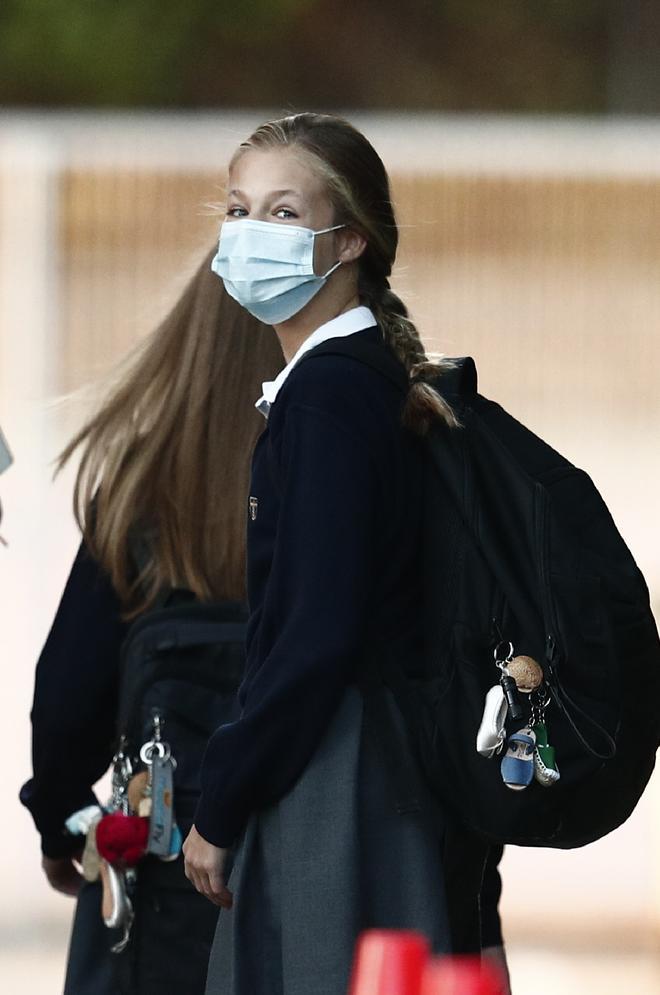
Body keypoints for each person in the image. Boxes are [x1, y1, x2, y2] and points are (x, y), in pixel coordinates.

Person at [182, 112, 468, 995]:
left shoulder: (327, 402)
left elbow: (311, 634)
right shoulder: (357, 382)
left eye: (281, 213)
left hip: (331, 776)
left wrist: (220, 802)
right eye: (237, 209)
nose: (246, 235)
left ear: (348, 243)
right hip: (367, 760)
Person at [19, 249, 283, 995]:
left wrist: (60, 821)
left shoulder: (145, 486)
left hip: (165, 881)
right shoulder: (352, 476)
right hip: (321, 866)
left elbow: (68, 692)